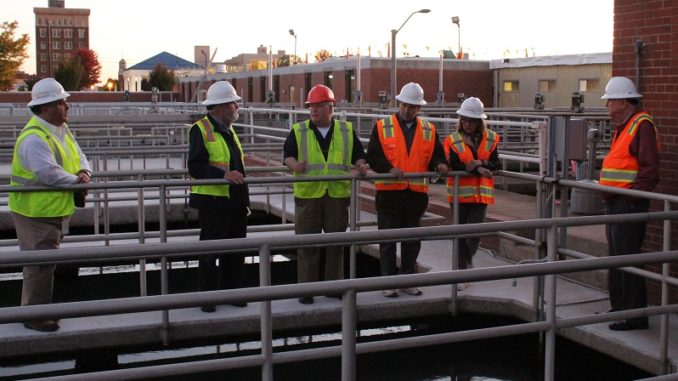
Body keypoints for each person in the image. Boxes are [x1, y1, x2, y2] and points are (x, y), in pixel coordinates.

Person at [9, 78, 92, 332]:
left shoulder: (60, 130)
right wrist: (77, 182)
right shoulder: (34, 138)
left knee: (45, 264)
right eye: (61, 102)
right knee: (39, 266)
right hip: (35, 212)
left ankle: (38, 311)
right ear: (45, 108)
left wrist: (84, 172)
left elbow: (80, 155)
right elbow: (47, 173)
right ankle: (35, 315)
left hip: (51, 210)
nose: (67, 106)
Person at [283, 85, 368, 304]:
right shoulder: (299, 129)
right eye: (311, 106)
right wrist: (295, 165)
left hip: (337, 196)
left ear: (330, 108)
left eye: (319, 106)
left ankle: (333, 288)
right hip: (308, 196)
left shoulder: (346, 130)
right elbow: (288, 156)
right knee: (307, 244)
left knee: (336, 244)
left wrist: (360, 165)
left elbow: (358, 155)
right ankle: (307, 291)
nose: (314, 110)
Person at [366, 82, 449, 298]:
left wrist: (440, 165)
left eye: (412, 107)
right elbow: (373, 156)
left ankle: (408, 280)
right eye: (404, 105)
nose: (407, 110)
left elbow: (435, 155)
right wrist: (389, 169)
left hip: (416, 193)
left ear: (419, 109)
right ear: (398, 103)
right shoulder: (382, 126)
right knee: (388, 240)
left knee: (412, 241)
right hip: (389, 192)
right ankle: (389, 282)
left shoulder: (429, 130)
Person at [599, 76, 660, 331]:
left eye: (609, 101)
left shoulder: (641, 125)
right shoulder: (625, 126)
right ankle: (621, 307)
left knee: (627, 257)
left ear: (623, 101)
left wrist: (633, 197)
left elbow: (650, 171)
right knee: (617, 257)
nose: (607, 106)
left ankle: (634, 315)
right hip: (617, 202)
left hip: (628, 204)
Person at [188, 81, 250, 312]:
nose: (236, 107)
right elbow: (195, 166)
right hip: (213, 201)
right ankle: (208, 297)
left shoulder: (229, 129)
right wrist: (223, 175)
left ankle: (232, 292)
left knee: (235, 250)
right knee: (210, 251)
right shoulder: (201, 129)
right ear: (221, 106)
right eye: (233, 103)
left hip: (235, 200)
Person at [443, 97, 500, 274]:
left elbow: (496, 164)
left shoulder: (491, 138)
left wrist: (478, 163)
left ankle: (465, 264)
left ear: (479, 122)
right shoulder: (452, 140)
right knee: (460, 234)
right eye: (464, 120)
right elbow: (456, 164)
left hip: (481, 195)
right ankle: (462, 271)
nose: (467, 124)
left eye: (471, 121)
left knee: (475, 234)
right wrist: (480, 169)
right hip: (460, 193)